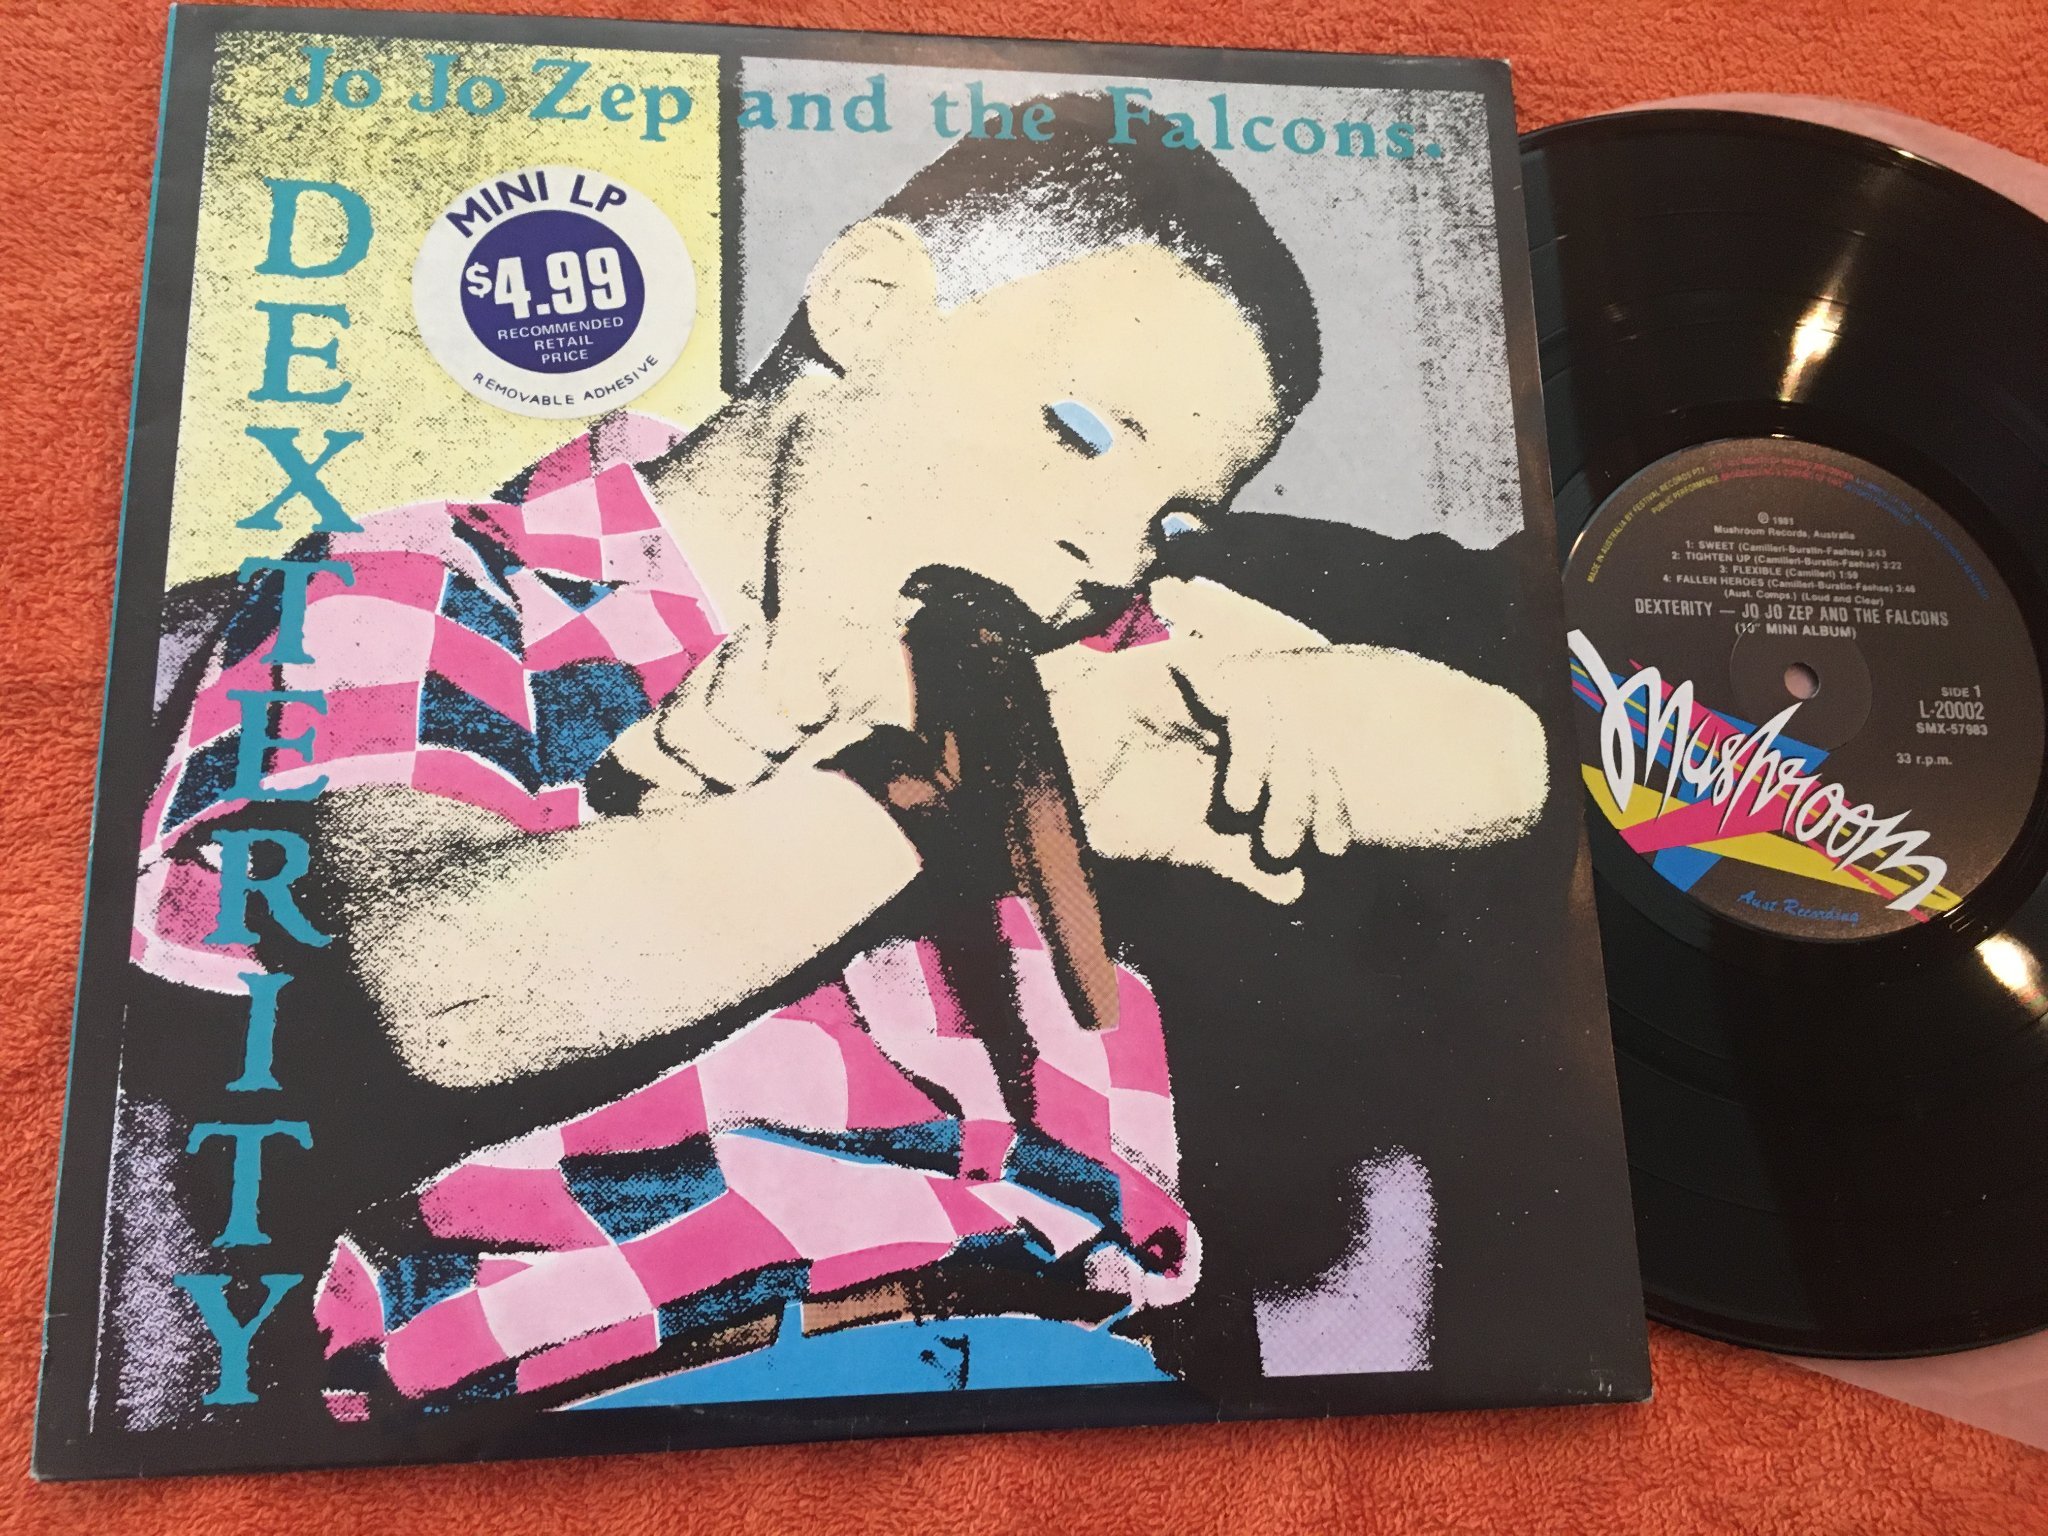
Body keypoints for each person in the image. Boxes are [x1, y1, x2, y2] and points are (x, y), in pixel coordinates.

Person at [133, 96, 1548, 1420]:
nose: (1111, 549)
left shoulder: (1087, 644)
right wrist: (931, 782)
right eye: (1078, 432)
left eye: (1171, 517)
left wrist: (1236, 711)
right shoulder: (424, 580)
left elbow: (1507, 764)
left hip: (1086, 1380)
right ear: (870, 304)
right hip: (635, 1390)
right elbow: (452, 990)